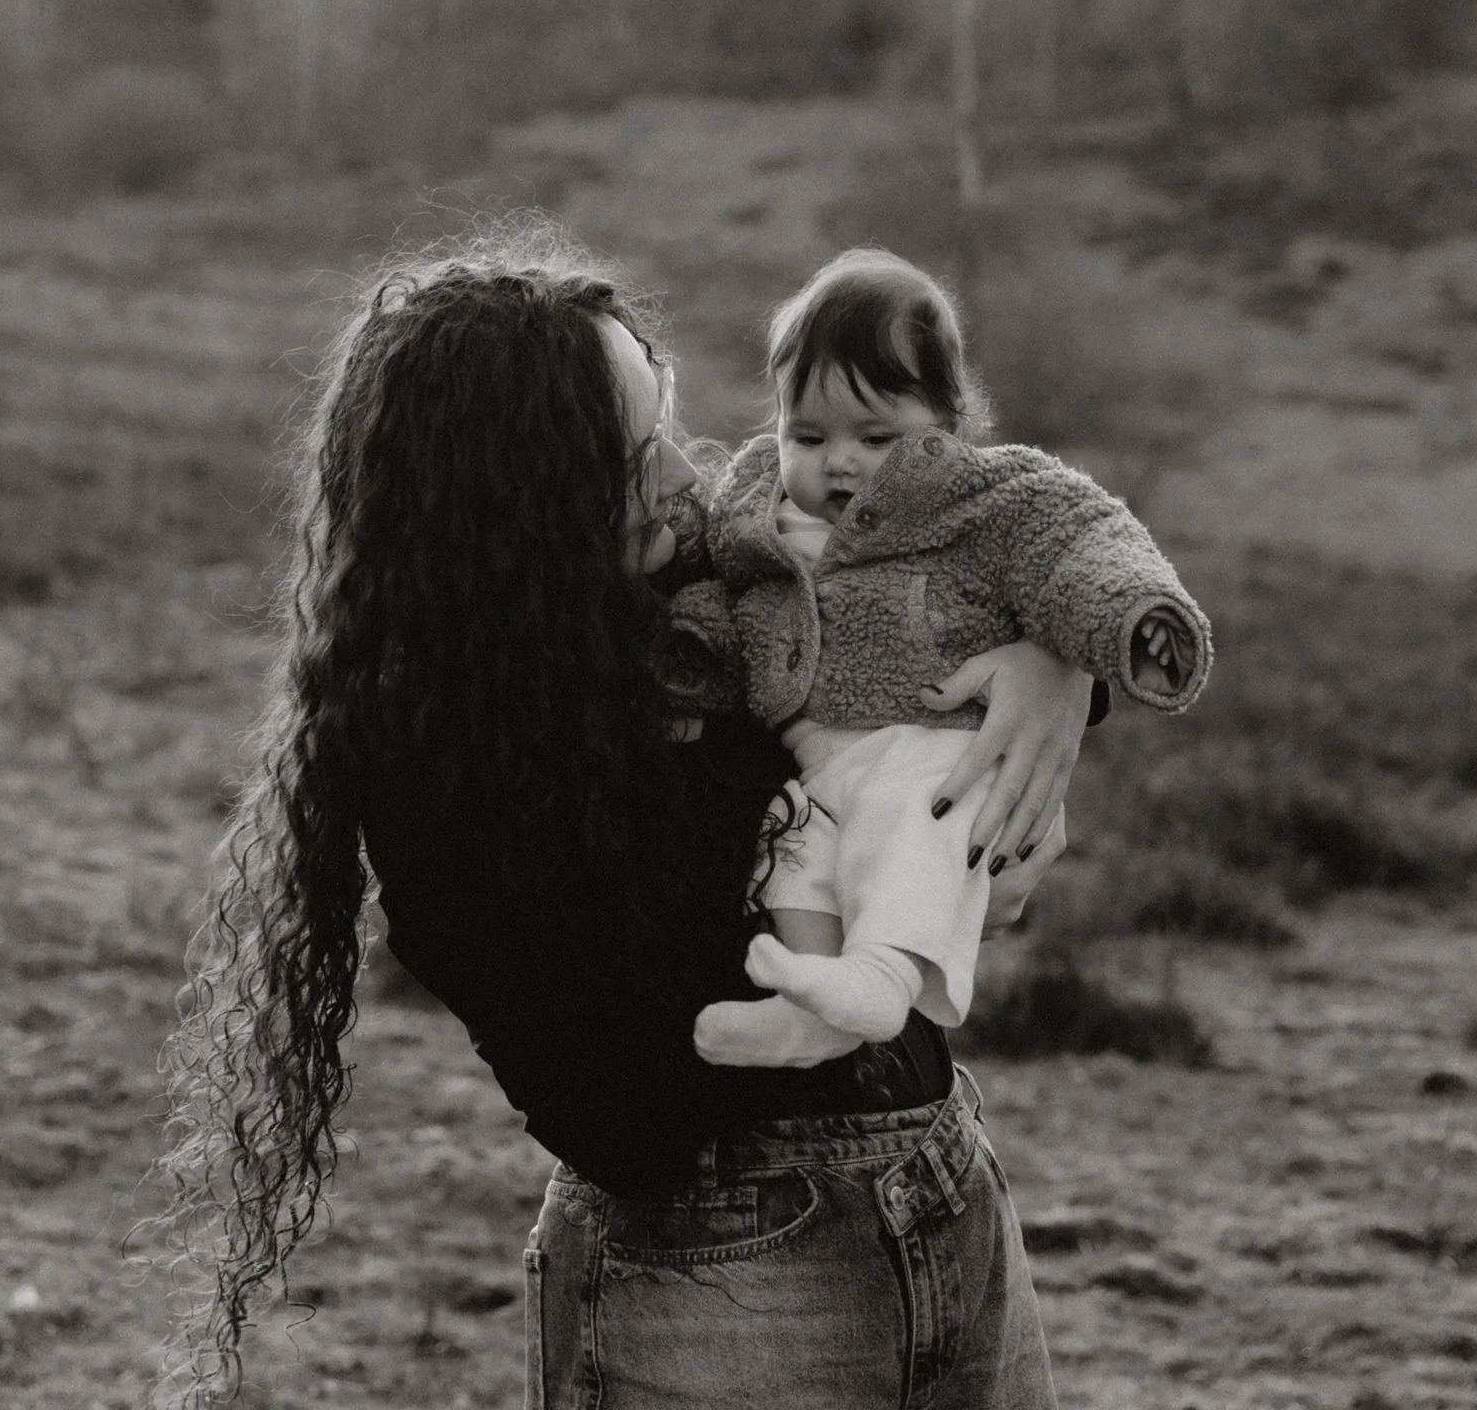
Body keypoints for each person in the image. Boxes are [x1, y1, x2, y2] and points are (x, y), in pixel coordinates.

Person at [154, 230, 1091, 1408]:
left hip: (941, 1183)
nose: (688, 479)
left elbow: (943, 573)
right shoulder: (444, 757)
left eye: (669, 429)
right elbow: (628, 1117)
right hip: (720, 1280)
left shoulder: (695, 591)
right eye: (633, 450)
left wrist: (1056, 673)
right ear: (520, 492)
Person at [668, 248, 1211, 1063]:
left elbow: (1081, 547)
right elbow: (722, 610)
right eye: (806, 434)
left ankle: (882, 973)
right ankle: (814, 1010)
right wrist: (684, 656)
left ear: (947, 424)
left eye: (876, 436)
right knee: (792, 854)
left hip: (937, 746)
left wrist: (1133, 623)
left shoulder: (987, 499)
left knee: (909, 821)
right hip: (815, 766)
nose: (839, 460)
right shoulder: (752, 522)